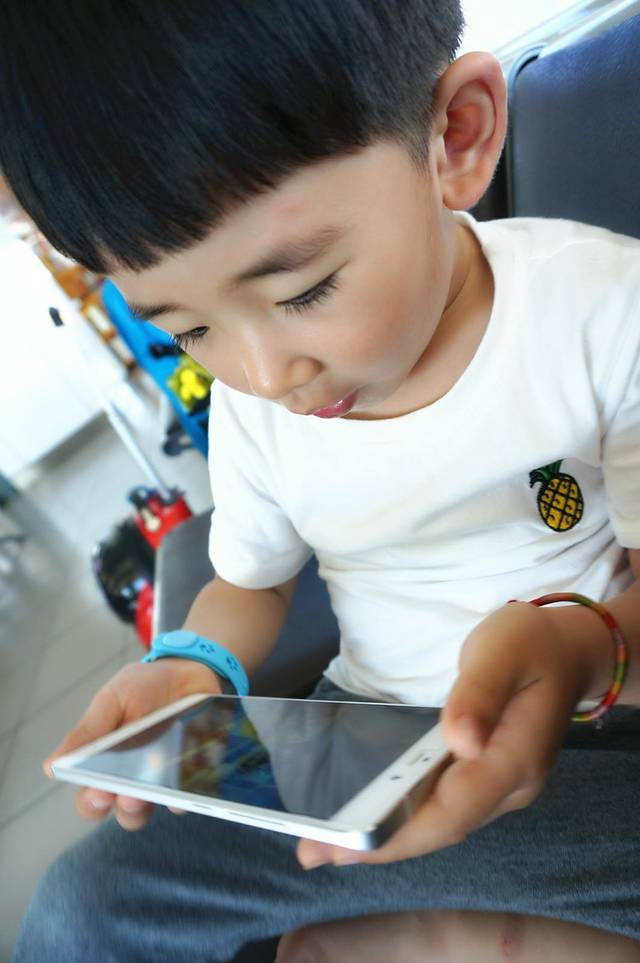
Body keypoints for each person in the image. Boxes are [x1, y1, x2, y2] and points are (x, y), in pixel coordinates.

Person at [2, 1, 639, 960]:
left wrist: (580, 649)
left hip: (585, 737)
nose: (265, 376)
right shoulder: (256, 405)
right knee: (82, 905)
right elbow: (249, 585)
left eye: (303, 290)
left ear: (456, 137)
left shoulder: (600, 313)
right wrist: (193, 666)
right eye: (189, 330)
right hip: (357, 755)